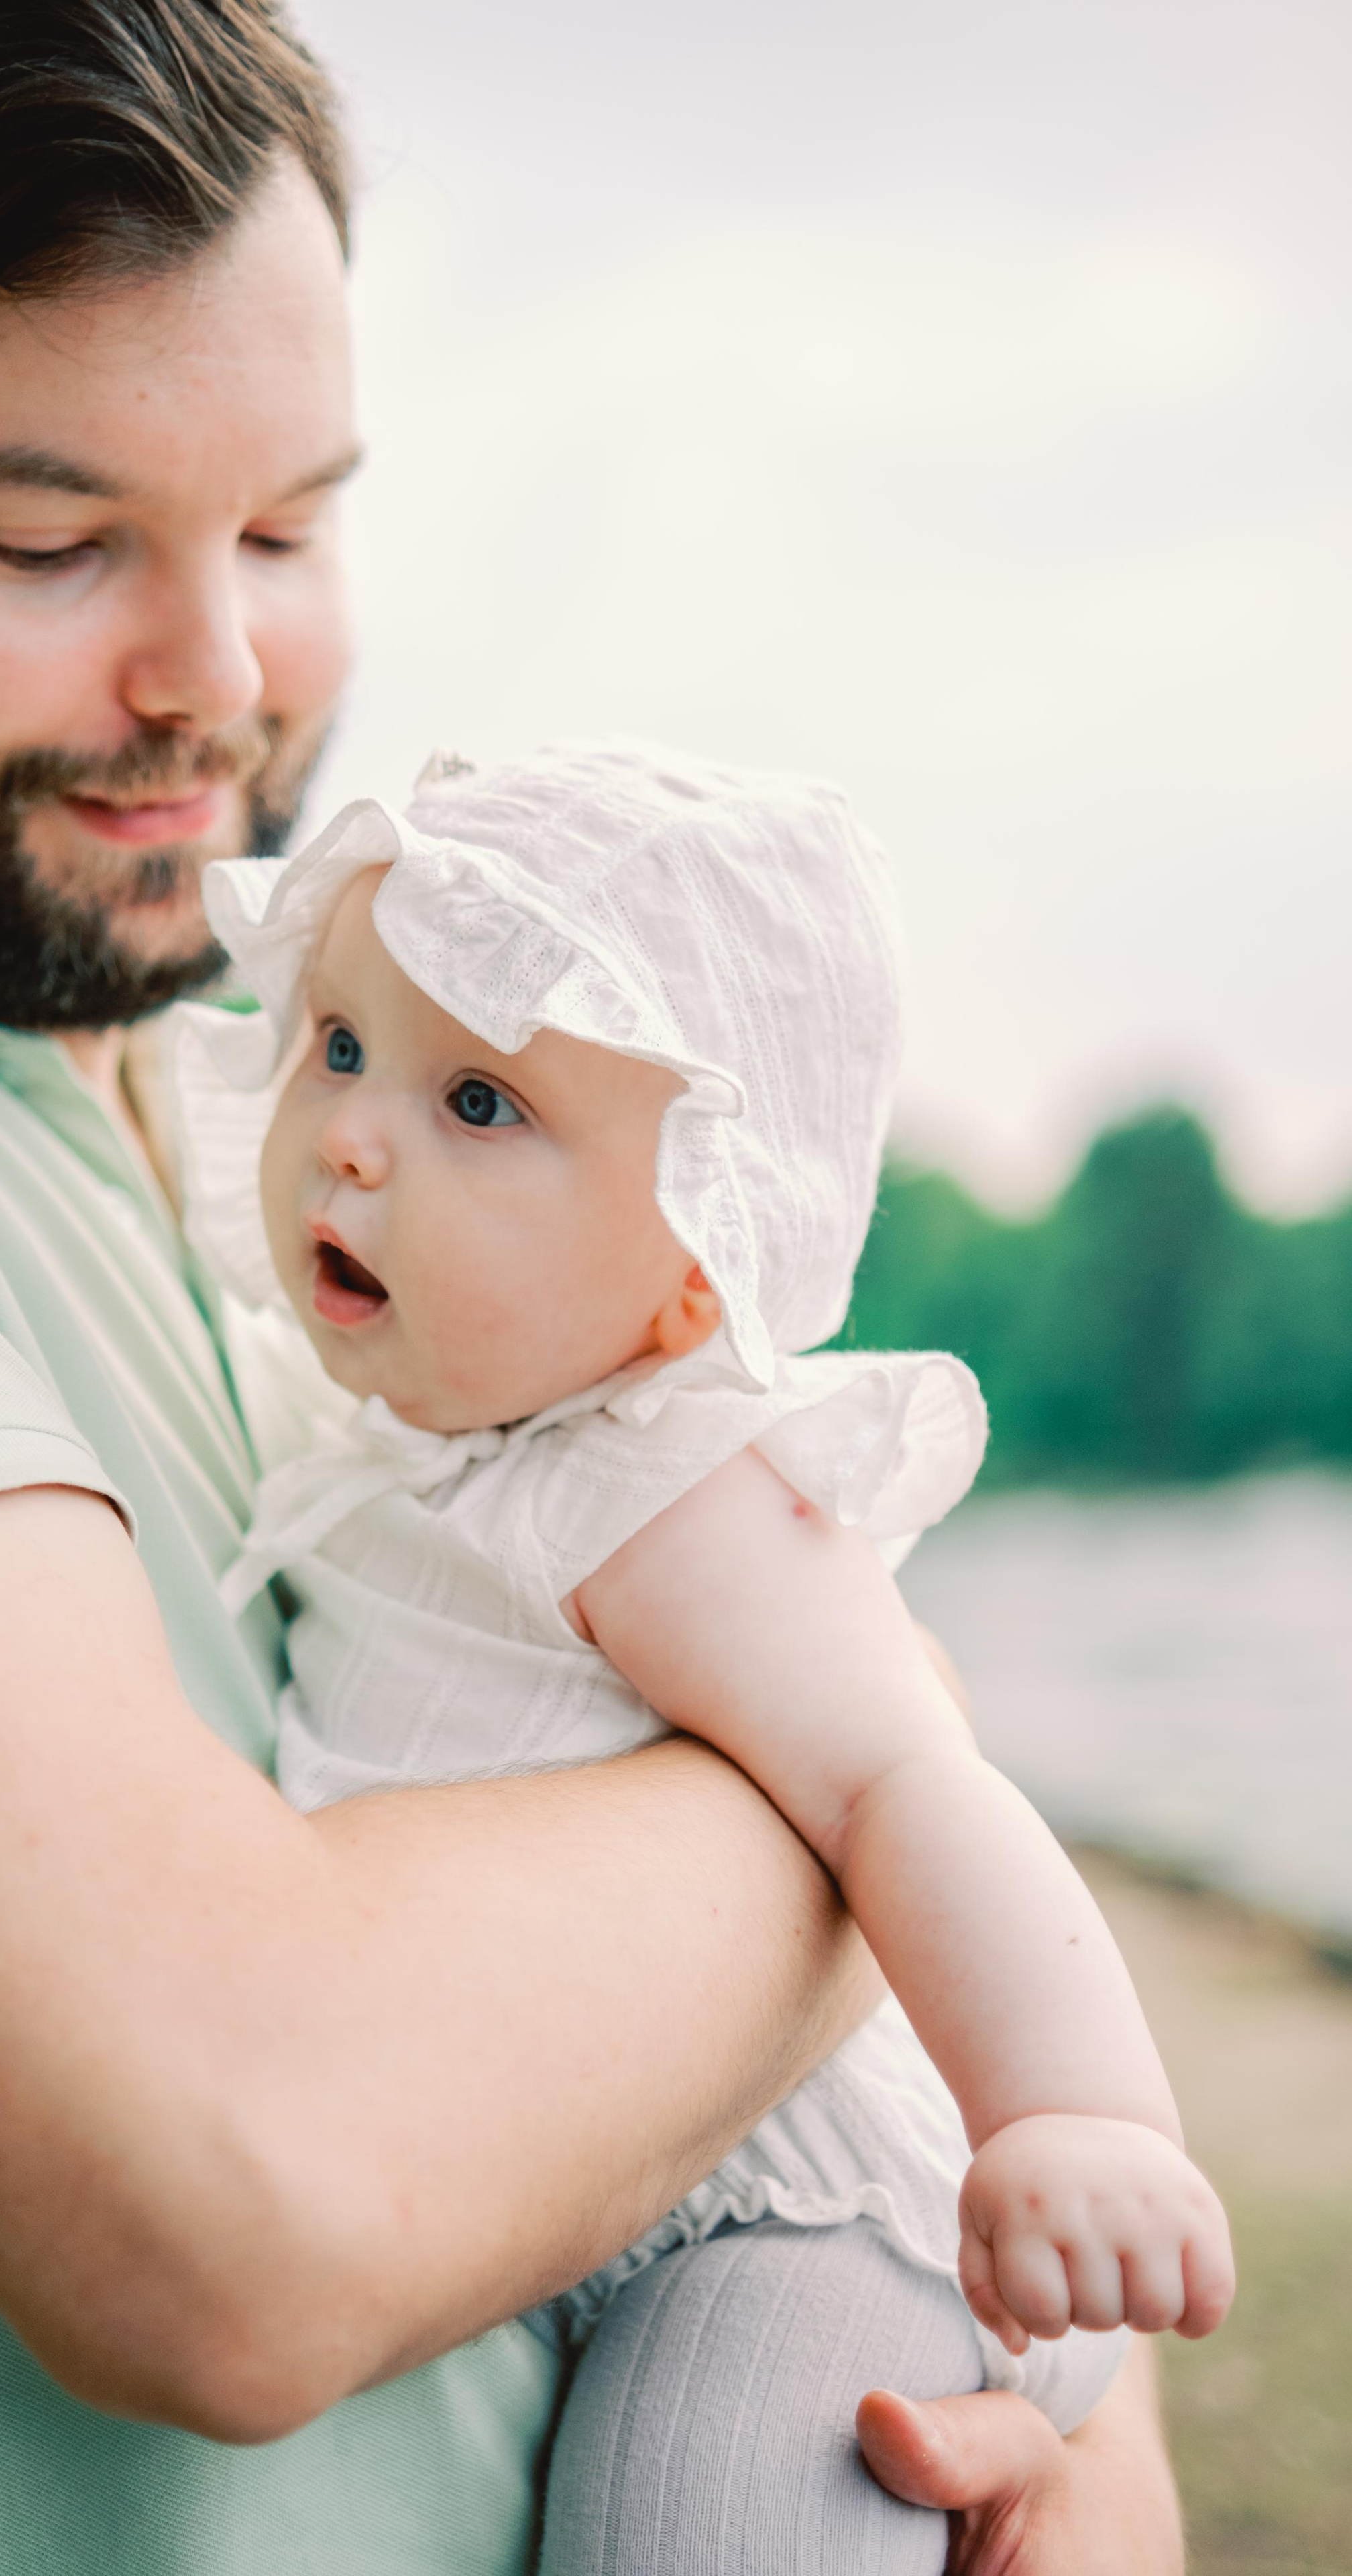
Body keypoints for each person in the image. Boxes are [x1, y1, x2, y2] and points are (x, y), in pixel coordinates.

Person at [0, 4, 1184, 2570]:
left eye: (284, 530)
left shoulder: (257, 1105)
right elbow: (236, 2195)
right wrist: (866, 1779)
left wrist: (1062, 2449)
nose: (221, 686)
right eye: (50, 543)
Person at [173, 743, 1233, 2569]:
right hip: (558, 2165)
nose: (350, 1129)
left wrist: (1073, 2114)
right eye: (340, 1044)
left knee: (688, 2517)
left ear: (692, 1276)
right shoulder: (382, 1436)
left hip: (790, 2215)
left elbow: (906, 1772)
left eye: (481, 1103)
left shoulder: (662, 1490)